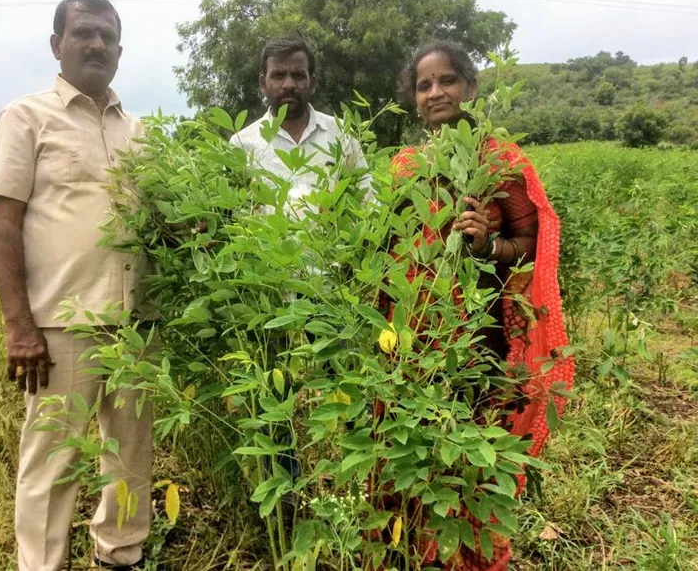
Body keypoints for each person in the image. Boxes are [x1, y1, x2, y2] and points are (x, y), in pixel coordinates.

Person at [368, 41, 574, 570]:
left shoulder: (502, 162)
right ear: (414, 99)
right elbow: (387, 250)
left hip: (480, 341)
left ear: (471, 88)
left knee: (474, 457)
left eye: (447, 81)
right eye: (424, 85)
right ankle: (415, 553)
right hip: (413, 340)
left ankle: (472, 558)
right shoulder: (405, 166)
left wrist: (489, 246)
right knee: (412, 452)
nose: (436, 92)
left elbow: (531, 242)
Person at [0, 0, 153, 571]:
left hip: (134, 326)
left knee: (130, 459)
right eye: (83, 33)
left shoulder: (140, 131)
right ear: (57, 44)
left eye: (106, 35)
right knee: (51, 464)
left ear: (121, 50)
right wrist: (19, 326)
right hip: (60, 328)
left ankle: (120, 555)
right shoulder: (27, 117)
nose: (96, 44)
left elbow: (159, 223)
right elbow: (3, 224)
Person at [230, 34, 367, 213]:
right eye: (278, 75)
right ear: (263, 83)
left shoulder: (341, 134)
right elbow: (233, 216)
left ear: (313, 83)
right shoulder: (241, 144)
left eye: (298, 75)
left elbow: (366, 202)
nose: (289, 84)